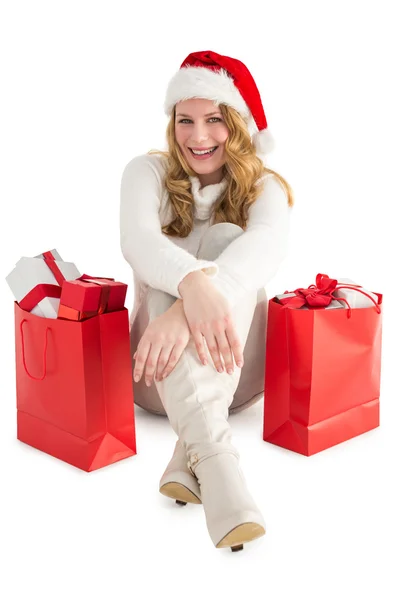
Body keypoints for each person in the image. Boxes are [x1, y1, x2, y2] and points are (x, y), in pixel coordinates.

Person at [119, 50, 294, 551]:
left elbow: (265, 250)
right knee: (190, 269)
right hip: (152, 370)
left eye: (215, 120)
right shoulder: (144, 173)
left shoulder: (265, 189)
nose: (198, 136)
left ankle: (199, 458)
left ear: (237, 125)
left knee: (222, 240)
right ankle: (218, 469)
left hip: (240, 367)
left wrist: (183, 305)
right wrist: (189, 289)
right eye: (185, 120)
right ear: (171, 122)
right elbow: (138, 241)